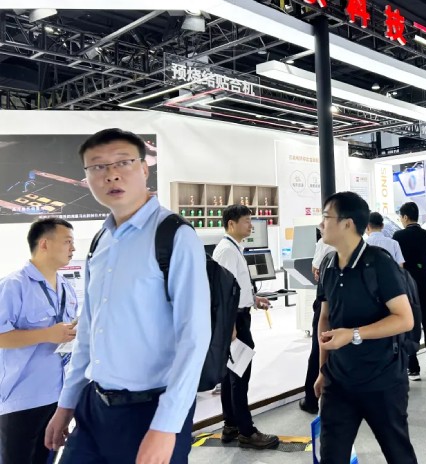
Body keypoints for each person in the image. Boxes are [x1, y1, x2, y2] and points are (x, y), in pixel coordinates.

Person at [45, 128, 211, 464]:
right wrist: (66, 403)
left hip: (151, 410)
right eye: (98, 166)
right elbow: (88, 332)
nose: (111, 174)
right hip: (94, 407)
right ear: (87, 177)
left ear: (145, 169)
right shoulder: (100, 242)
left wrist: (166, 426)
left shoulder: (174, 235)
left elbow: (194, 338)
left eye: (123, 162)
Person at [314, 192, 417, 464]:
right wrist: (323, 370)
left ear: (347, 223)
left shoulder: (379, 262)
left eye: (326, 217)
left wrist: (353, 334)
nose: (321, 224)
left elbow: (404, 319)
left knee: (398, 454)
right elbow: (325, 319)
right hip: (338, 381)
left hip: (382, 380)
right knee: (331, 457)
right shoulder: (328, 264)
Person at [0, 219, 77, 464]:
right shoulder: (13, 286)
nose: (73, 248)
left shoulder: (66, 288)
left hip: (57, 398)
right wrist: (47, 334)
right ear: (44, 244)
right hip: (21, 400)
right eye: (67, 242)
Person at [212, 205, 278, 450]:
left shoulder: (232, 248)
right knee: (240, 377)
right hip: (234, 321)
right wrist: (230, 326)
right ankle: (247, 432)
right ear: (231, 223)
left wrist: (253, 299)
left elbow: (235, 288)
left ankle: (231, 425)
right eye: (247, 221)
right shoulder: (227, 251)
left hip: (237, 317)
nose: (251, 225)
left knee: (232, 375)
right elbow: (222, 292)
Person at [393, 202, 426, 381]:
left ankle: (413, 368)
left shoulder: (398, 236)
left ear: (405, 217)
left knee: (409, 324)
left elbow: (398, 265)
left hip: (406, 286)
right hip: (424, 283)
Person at [300, 236, 336, 414]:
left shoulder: (325, 244)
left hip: (325, 304)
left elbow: (315, 269)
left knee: (318, 349)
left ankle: (311, 399)